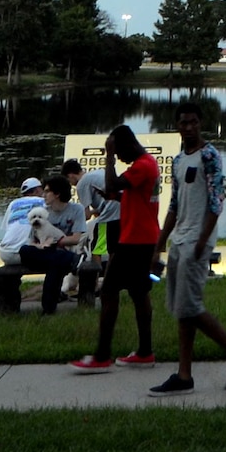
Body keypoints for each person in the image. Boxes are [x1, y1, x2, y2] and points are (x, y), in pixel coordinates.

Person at [148, 103, 226, 397]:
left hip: (197, 241)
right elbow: (173, 205)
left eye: (193, 122)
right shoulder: (178, 160)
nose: (189, 127)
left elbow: (216, 202)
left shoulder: (210, 156)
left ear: (201, 123)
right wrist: (159, 244)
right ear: (177, 126)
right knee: (183, 310)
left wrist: (202, 241)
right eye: (183, 123)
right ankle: (184, 375)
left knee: (191, 306)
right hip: (179, 240)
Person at [70, 126, 160, 373]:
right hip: (140, 237)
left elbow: (112, 181)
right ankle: (144, 352)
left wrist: (108, 155)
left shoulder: (142, 165)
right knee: (139, 293)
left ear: (128, 145)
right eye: (115, 155)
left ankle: (102, 356)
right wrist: (117, 197)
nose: (119, 159)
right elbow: (129, 194)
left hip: (135, 239)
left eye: (119, 153)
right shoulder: (147, 163)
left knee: (109, 291)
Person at [19, 175, 86, 315]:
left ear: (57, 194)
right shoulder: (41, 213)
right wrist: (42, 246)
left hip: (59, 251)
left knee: (55, 267)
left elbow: (75, 239)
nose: (43, 195)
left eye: (47, 191)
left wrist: (55, 242)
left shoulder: (76, 210)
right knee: (24, 250)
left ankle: (48, 310)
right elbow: (33, 240)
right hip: (47, 253)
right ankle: (70, 259)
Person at [0, 176, 47, 265]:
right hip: (26, 253)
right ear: (37, 190)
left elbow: (7, 228)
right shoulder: (44, 202)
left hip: (5, 253)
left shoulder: (13, 203)